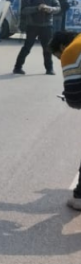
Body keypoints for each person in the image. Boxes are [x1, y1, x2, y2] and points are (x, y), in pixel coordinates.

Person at [50, 31, 81, 209]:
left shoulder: (71, 51)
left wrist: (67, 96)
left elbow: (75, 98)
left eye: (57, 56)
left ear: (62, 47)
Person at [14, 0, 61, 75]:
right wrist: (37, 8)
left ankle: (49, 69)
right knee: (27, 47)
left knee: (47, 48)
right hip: (32, 25)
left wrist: (50, 9)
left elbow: (58, 8)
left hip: (47, 25)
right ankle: (17, 67)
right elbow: (23, 10)